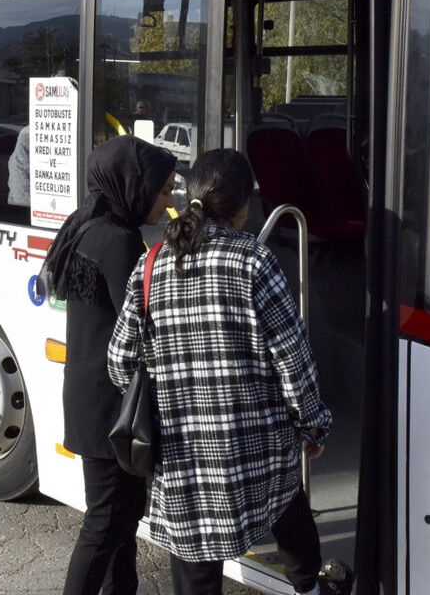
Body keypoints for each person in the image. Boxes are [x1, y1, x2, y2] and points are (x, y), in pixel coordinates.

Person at [108, 148, 343, 595]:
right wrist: (313, 427)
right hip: (256, 447)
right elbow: (293, 361)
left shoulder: (150, 264)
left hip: (182, 457)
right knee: (289, 510)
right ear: (243, 205)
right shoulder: (254, 261)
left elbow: (120, 363)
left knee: (196, 563)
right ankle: (308, 588)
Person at [44, 135, 176, 595]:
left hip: (90, 396)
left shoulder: (85, 226)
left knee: (119, 520)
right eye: (163, 191)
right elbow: (144, 323)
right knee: (105, 523)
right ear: (132, 185)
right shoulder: (119, 241)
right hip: (110, 404)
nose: (169, 200)